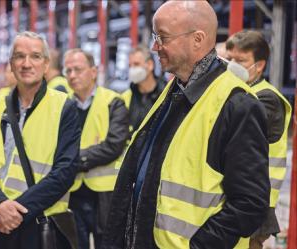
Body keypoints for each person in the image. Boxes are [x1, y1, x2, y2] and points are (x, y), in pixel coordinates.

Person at [103, 1, 270, 249]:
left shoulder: (237, 105)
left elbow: (249, 204)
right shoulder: (174, 91)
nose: (155, 46)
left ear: (198, 39)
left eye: (163, 38)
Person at [0, 31, 81, 249]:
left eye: (35, 56)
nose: (27, 63)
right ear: (11, 64)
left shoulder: (64, 107)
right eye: (19, 56)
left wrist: (14, 212)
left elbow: (65, 171)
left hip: (37, 222)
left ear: (46, 64)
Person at [225, 30, 292, 249]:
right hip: (236, 200)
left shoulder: (267, 99)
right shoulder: (240, 91)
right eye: (230, 59)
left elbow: (231, 133)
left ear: (260, 65)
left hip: (254, 206)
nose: (232, 65)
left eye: (241, 60)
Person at [63, 49, 129, 248]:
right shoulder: (61, 104)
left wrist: (75, 159)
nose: (72, 75)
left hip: (105, 195)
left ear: (93, 71)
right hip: (71, 192)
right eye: (68, 71)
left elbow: (113, 145)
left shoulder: (114, 102)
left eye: (78, 69)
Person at [121, 45, 166, 133]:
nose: (132, 69)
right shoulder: (125, 98)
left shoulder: (165, 94)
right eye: (130, 65)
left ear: (149, 65)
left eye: (136, 64)